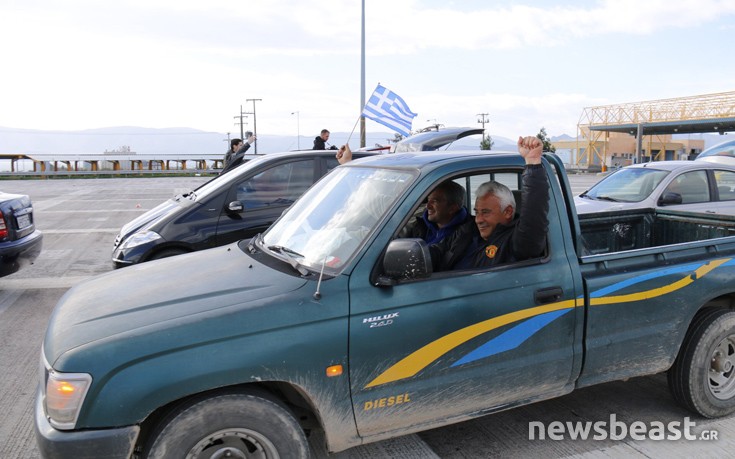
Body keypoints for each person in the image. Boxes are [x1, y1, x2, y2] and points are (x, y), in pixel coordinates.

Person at [429, 135, 549, 271]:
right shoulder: (467, 231)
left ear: (508, 212)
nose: (478, 219)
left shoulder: (515, 242)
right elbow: (436, 252)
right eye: (476, 212)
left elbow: (534, 216)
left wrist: (533, 163)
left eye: (485, 212)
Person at [400, 181, 471, 244]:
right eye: (428, 200)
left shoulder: (466, 237)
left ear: (452, 208)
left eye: (434, 201)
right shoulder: (418, 224)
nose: (428, 206)